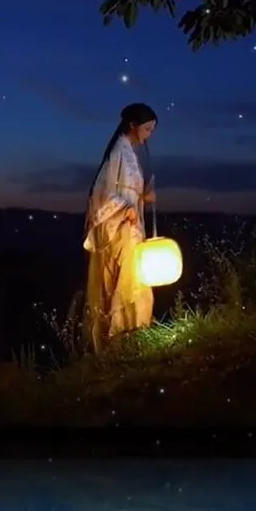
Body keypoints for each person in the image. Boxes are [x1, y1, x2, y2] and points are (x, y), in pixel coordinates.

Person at [83, 102, 158, 354]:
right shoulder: (118, 151)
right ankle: (119, 336)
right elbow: (101, 192)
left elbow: (128, 191)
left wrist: (141, 199)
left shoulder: (130, 154)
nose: (148, 135)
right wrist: (125, 207)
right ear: (132, 126)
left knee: (134, 275)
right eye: (147, 129)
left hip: (130, 224)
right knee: (125, 277)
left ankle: (134, 330)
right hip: (119, 226)